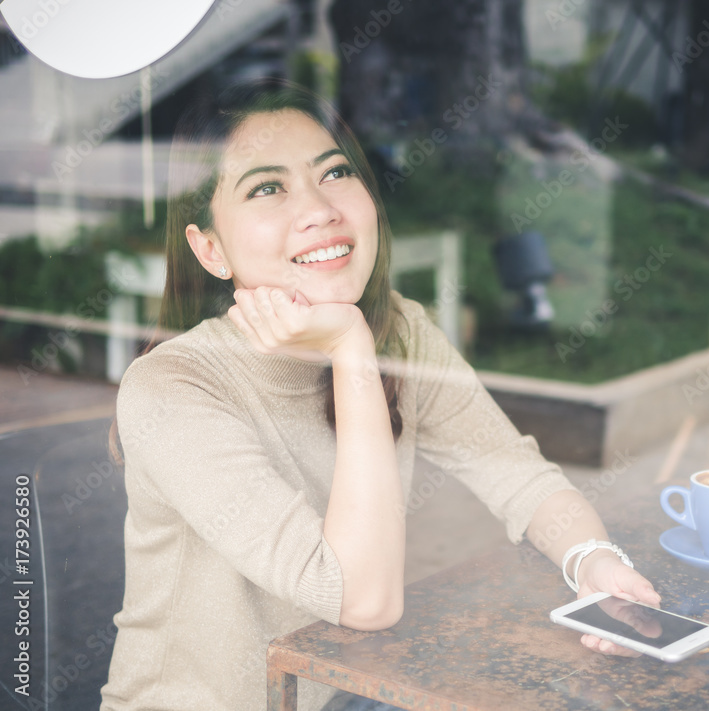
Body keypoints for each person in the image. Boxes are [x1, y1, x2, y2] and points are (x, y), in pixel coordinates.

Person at [99, 79, 659, 711]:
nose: (319, 209)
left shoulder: (400, 329)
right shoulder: (174, 389)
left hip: (336, 693)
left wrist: (593, 562)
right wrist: (350, 348)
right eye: (267, 187)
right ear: (210, 249)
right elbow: (363, 600)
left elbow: (517, 474)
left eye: (333, 173)